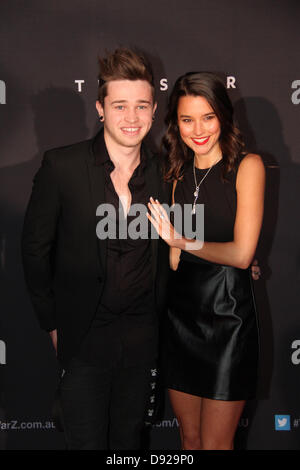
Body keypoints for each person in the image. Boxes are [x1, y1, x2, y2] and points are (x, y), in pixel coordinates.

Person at [21, 48, 171, 450]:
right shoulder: (62, 167)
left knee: (128, 446)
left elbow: (186, 243)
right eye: (120, 106)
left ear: (154, 110)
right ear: (101, 108)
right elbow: (34, 250)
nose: (132, 118)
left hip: (141, 340)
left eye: (141, 106)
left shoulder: (166, 174)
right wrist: (52, 323)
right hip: (84, 338)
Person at [147, 72, 265, 450]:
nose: (198, 129)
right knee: (191, 439)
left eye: (208, 117)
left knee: (216, 444)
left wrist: (182, 241)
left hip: (228, 319)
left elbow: (242, 255)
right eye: (186, 119)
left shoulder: (248, 167)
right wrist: (174, 250)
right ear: (175, 123)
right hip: (181, 317)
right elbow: (171, 258)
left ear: (224, 118)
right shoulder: (174, 172)